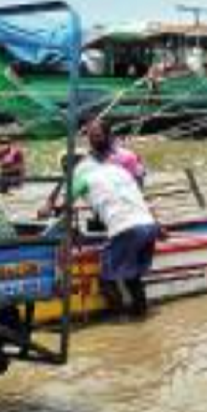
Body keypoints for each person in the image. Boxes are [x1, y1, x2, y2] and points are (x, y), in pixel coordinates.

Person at [70, 152, 160, 317]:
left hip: (127, 229)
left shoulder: (83, 179)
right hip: (149, 226)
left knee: (106, 279)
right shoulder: (118, 171)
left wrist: (50, 207)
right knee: (132, 277)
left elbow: (65, 204)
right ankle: (142, 315)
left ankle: (120, 320)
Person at [86, 118, 146, 188]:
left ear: (108, 135)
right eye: (90, 136)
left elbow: (138, 184)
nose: (93, 140)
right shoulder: (88, 160)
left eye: (97, 136)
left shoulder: (127, 157)